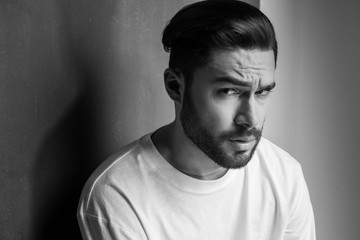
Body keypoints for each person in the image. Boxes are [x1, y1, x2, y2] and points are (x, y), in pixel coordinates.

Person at [77, 1, 316, 239]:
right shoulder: (118, 196)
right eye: (229, 91)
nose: (251, 119)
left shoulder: (284, 176)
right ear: (175, 86)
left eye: (262, 92)